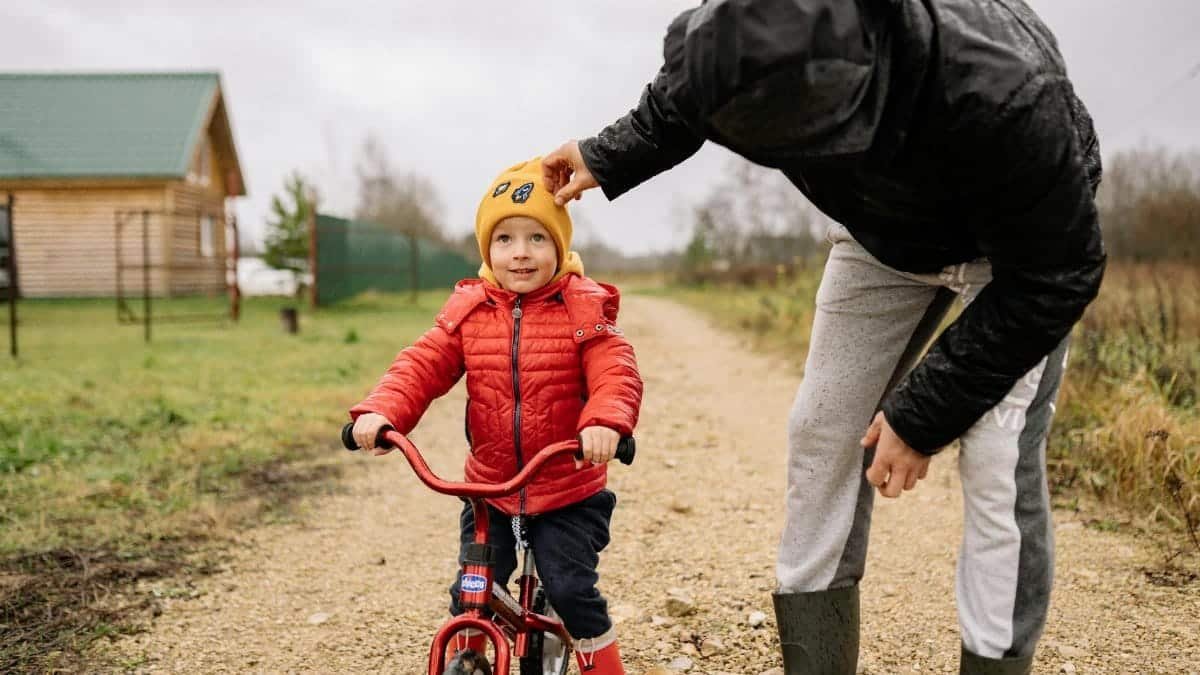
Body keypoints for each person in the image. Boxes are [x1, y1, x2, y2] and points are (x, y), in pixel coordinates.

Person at [542, 1, 1104, 673]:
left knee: (992, 458)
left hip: (1010, 256)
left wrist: (923, 414)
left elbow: (1056, 275)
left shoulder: (1011, 92)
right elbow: (687, 95)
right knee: (821, 429)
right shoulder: (726, 36)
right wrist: (607, 154)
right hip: (879, 240)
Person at [349, 159, 643, 674]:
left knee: (571, 588)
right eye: (504, 238)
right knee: (472, 590)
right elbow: (421, 365)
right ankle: (470, 657)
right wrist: (379, 411)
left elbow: (614, 370)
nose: (521, 252)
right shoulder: (469, 310)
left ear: (559, 246)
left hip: (567, 487)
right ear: (488, 249)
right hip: (492, 490)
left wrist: (605, 422)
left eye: (537, 238)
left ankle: (606, 666)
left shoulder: (581, 309)